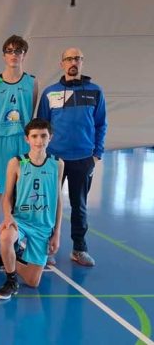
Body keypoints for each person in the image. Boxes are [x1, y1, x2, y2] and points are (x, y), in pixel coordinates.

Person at [37, 48, 107, 267]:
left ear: (82, 62)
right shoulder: (50, 93)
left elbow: (101, 124)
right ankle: (47, 248)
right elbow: (41, 126)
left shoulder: (95, 92)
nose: (73, 62)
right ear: (62, 64)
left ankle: (79, 249)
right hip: (54, 159)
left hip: (83, 159)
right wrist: (42, 156)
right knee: (49, 204)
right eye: (68, 59)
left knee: (80, 206)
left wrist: (96, 154)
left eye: (77, 58)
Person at [0, 118, 64, 300]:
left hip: (43, 226)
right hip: (21, 221)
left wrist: (57, 232)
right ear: (27, 139)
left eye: (43, 136)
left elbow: (58, 200)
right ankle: (11, 281)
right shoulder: (16, 162)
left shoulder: (57, 164)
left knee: (33, 281)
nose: (39, 141)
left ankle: (7, 258)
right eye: (34, 136)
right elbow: (7, 197)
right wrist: (8, 217)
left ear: (50, 137)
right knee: (6, 236)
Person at [0, 35, 38, 263]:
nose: (13, 55)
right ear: (4, 55)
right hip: (0, 140)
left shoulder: (32, 82)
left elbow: (31, 112)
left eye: (18, 51)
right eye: (9, 51)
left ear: (24, 54)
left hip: (22, 141)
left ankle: (19, 239)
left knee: (19, 193)